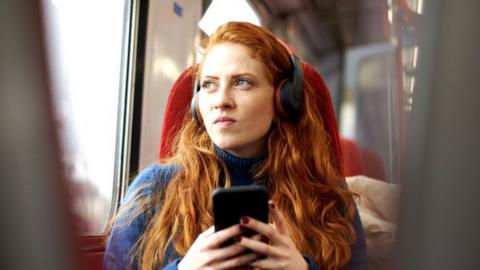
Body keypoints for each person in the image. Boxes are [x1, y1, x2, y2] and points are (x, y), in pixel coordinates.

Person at [104, 21, 367, 270]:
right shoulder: (154, 190)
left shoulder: (330, 199)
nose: (221, 101)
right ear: (197, 104)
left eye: (242, 82)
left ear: (284, 98)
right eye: (209, 85)